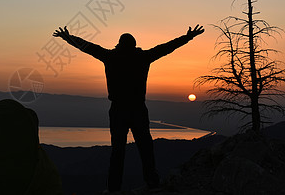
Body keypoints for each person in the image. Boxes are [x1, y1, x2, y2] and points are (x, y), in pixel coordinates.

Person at [53, 25, 204, 193]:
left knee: (118, 151)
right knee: (145, 148)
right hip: (138, 109)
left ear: (119, 44)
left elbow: (87, 47)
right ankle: (152, 183)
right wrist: (188, 37)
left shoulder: (111, 56)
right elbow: (167, 47)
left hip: (118, 110)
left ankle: (114, 189)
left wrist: (68, 37)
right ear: (134, 45)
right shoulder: (143, 57)